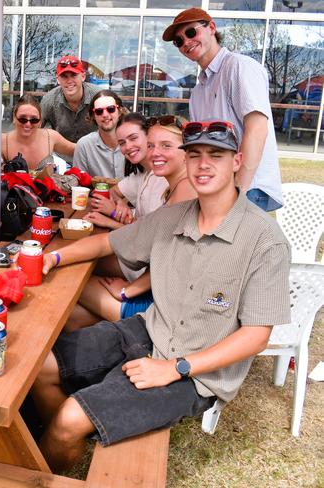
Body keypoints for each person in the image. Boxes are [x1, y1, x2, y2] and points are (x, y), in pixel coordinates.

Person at [31, 119, 290, 473]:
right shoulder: (174, 217)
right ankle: (67, 443)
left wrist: (174, 368)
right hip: (149, 329)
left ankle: (60, 443)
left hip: (194, 371)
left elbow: (256, 336)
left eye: (216, 154)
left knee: (68, 420)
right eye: (195, 154)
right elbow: (109, 241)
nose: (203, 164)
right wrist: (53, 257)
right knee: (39, 366)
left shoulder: (265, 240)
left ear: (237, 160)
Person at [71, 116, 196, 330]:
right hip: (155, 286)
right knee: (73, 315)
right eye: (153, 146)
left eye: (165, 146)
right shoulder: (164, 181)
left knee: (73, 282)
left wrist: (128, 290)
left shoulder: (184, 192)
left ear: (186, 152)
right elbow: (160, 249)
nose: (156, 152)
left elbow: (162, 255)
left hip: (160, 311)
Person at [163, 8, 283, 212]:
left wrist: (238, 191)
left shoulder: (239, 67)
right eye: (179, 41)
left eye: (191, 32)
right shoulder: (199, 90)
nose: (186, 42)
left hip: (249, 188)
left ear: (211, 28)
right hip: (218, 187)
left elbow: (257, 129)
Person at [1, 94, 75, 171]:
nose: (28, 124)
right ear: (14, 118)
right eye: (22, 119)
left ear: (40, 121)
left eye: (34, 120)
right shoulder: (2, 140)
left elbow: (79, 149)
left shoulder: (51, 137)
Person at [40, 55, 101, 144]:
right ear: (58, 79)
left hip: (94, 152)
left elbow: (120, 122)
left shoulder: (98, 96)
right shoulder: (48, 100)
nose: (69, 80)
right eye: (64, 76)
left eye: (74, 75)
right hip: (60, 154)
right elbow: (34, 128)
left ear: (83, 76)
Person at [73, 90, 126, 178]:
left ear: (120, 111)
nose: (105, 114)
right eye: (99, 111)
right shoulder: (84, 145)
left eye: (111, 109)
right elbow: (78, 186)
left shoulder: (133, 142)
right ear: (93, 116)